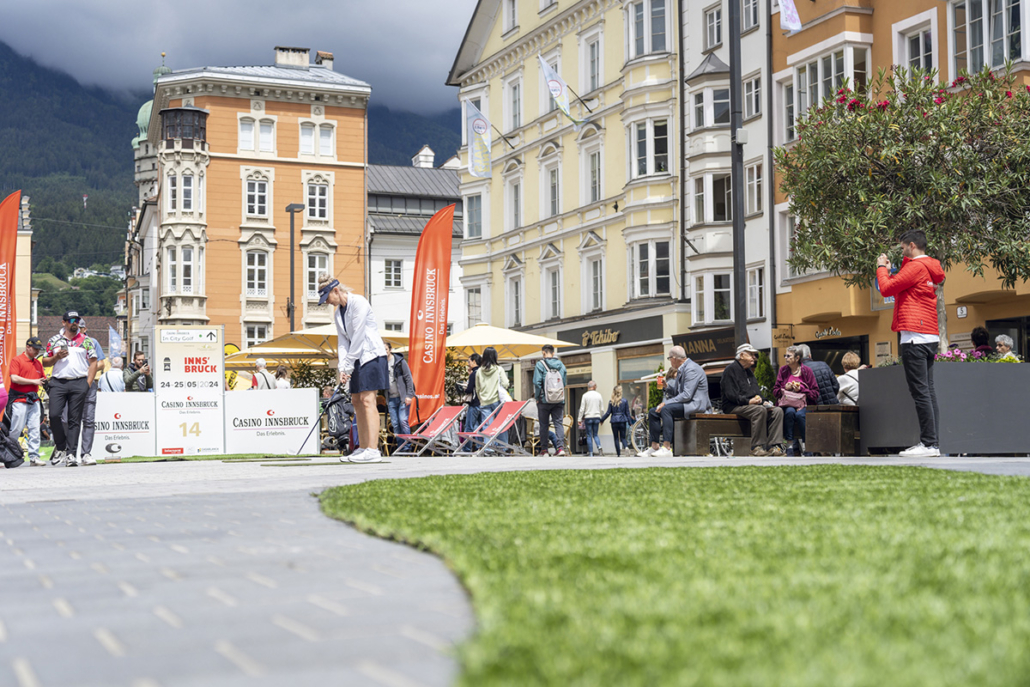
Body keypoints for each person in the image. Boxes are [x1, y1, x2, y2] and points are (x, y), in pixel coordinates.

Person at [877, 229, 946, 458]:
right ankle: (932, 443)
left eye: (903, 247)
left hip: (914, 336)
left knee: (920, 392)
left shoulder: (915, 267)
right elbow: (901, 282)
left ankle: (929, 444)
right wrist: (892, 270)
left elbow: (886, 289)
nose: (902, 251)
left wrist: (881, 268)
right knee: (928, 391)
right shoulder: (927, 267)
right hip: (929, 335)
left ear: (912, 246)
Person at [319, 273, 389, 464]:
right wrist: (343, 367)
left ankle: (373, 450)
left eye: (327, 297)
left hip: (371, 356)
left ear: (336, 290)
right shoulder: (338, 314)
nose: (327, 302)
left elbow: (358, 335)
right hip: (356, 358)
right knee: (356, 401)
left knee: (367, 400)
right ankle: (363, 447)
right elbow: (343, 342)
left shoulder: (359, 302)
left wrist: (348, 365)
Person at [42, 311, 99, 467]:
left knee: (74, 420)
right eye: (71, 320)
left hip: (79, 382)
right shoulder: (54, 340)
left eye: (77, 320)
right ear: (64, 322)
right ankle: (61, 447)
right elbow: (45, 361)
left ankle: (71, 455)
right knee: (54, 415)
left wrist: (87, 383)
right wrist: (56, 357)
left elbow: (93, 362)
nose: (75, 323)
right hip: (58, 382)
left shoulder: (86, 340)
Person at [638, 346, 710, 458]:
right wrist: (667, 386)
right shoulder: (682, 369)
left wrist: (666, 403)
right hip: (686, 403)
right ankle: (654, 446)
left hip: (695, 405)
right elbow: (677, 392)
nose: (670, 361)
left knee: (666, 409)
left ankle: (667, 447)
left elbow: (687, 395)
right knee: (653, 412)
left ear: (674, 358)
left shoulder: (691, 369)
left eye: (669, 358)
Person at [721, 343, 785, 457]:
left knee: (777, 411)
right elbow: (731, 395)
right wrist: (748, 401)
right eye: (751, 354)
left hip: (749, 406)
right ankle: (756, 447)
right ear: (742, 355)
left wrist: (764, 401)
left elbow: (756, 392)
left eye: (754, 355)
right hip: (733, 406)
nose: (754, 357)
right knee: (759, 410)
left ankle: (774, 447)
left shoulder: (749, 371)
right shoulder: (730, 370)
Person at [774, 345, 820, 457]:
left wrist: (802, 389)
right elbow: (775, 392)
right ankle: (789, 447)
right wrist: (785, 388)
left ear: (797, 358)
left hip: (805, 405)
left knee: (800, 415)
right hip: (787, 404)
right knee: (789, 412)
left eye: (789, 356)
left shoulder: (807, 371)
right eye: (785, 355)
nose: (786, 358)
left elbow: (815, 394)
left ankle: (806, 447)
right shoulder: (783, 370)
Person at [8, 337, 47, 466]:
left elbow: (42, 379)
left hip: (34, 399)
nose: (37, 351)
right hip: (19, 399)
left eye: (38, 349)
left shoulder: (38, 363)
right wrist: (33, 381)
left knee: (35, 429)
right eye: (35, 349)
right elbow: (14, 378)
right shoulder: (17, 360)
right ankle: (8, 455)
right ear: (28, 347)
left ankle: (34, 457)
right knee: (16, 429)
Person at [72, 319, 104, 465]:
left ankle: (86, 453)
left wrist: (89, 369)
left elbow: (101, 363)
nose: (77, 331)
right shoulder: (68, 342)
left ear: (84, 329)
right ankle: (69, 452)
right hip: (72, 383)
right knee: (68, 420)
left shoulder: (92, 342)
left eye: (80, 328)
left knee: (89, 420)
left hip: (88, 383)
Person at [533, 344, 567, 457]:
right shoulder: (561, 365)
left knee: (544, 425)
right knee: (558, 423)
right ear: (553, 353)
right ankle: (560, 448)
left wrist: (537, 398)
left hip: (544, 399)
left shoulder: (540, 365)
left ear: (543, 353)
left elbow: (537, 383)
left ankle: (544, 450)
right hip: (559, 400)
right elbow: (564, 382)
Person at [385, 342, 416, 451]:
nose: (384, 352)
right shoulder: (381, 363)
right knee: (395, 424)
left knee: (403, 421)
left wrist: (409, 395)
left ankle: (407, 447)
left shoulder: (399, 361)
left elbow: (408, 378)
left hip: (403, 397)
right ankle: (400, 447)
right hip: (391, 398)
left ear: (390, 350)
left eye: (386, 349)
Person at [474, 346, 506, 424]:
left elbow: (477, 388)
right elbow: (505, 383)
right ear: (495, 357)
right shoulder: (499, 369)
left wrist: (481, 399)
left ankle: (487, 433)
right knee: (500, 425)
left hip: (484, 401)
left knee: (487, 426)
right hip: (497, 400)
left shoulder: (479, 371)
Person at [601, 386, 632, 457]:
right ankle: (626, 447)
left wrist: (602, 420)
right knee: (623, 437)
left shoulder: (611, 401)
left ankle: (618, 454)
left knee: (616, 438)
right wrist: (630, 423)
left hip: (614, 421)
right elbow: (627, 413)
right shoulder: (625, 401)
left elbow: (608, 413)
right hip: (622, 420)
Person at [577, 380, 604, 457]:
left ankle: (591, 453)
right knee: (595, 434)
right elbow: (602, 409)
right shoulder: (599, 395)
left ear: (588, 387)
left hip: (588, 417)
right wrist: (602, 418)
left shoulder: (585, 395)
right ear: (594, 386)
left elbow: (582, 408)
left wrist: (579, 419)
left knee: (589, 435)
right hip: (596, 417)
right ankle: (599, 447)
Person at [463, 354, 482, 432]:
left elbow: (469, 390)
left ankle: (467, 440)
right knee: (480, 428)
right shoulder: (483, 373)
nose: (468, 364)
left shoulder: (474, 374)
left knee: (469, 427)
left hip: (474, 403)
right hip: (483, 404)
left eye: (469, 361)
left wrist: (464, 389)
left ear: (474, 361)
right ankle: (480, 441)